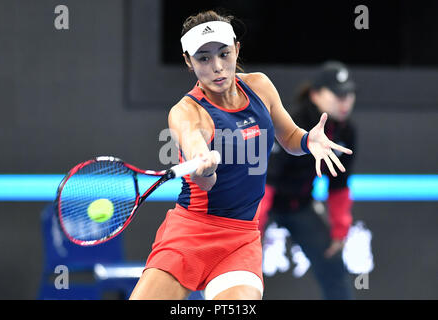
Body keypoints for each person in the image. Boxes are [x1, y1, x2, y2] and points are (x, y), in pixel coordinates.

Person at [129, 10, 352, 300]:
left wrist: (309, 140)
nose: (217, 67)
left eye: (223, 53)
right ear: (188, 61)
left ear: (236, 48)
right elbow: (200, 166)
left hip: (240, 239)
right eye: (204, 58)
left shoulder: (260, 86)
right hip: (190, 233)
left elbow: (289, 138)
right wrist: (204, 167)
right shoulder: (185, 112)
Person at [261, 61, 357, 299]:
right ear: (315, 94)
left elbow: (339, 185)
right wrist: (252, 230)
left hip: (300, 205)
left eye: (349, 94)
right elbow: (266, 181)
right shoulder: (292, 122)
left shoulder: (346, 131)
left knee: (333, 262)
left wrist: (340, 231)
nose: (345, 101)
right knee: (238, 268)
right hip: (262, 203)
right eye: (337, 94)